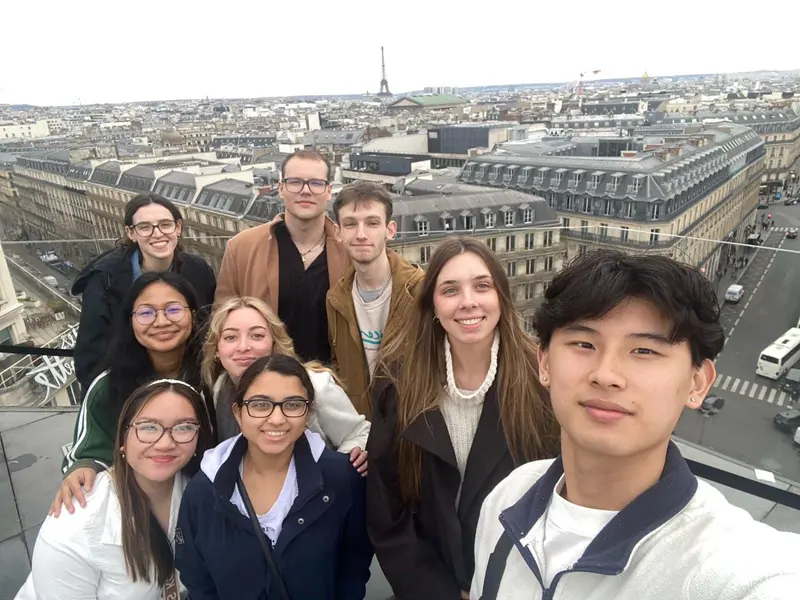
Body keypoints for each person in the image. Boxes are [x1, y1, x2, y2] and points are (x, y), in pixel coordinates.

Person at [471, 250, 800, 600]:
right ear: (545, 363)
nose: (606, 375)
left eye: (644, 351)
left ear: (697, 383)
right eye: (584, 344)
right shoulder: (506, 499)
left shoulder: (731, 564)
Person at [367, 237, 560, 600]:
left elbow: (557, 499)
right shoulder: (396, 382)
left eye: (482, 286)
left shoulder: (543, 383)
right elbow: (385, 507)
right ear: (433, 306)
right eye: (450, 289)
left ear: (501, 296)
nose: (468, 301)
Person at [175, 354, 373, 600]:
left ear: (308, 411)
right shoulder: (204, 487)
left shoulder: (341, 479)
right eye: (260, 404)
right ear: (238, 413)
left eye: (292, 404)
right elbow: (196, 576)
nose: (277, 419)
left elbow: (354, 567)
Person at [17, 379, 213, 600]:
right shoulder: (76, 524)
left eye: (184, 427)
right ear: (122, 439)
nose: (165, 443)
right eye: (148, 427)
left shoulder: (204, 495)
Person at [52, 271, 209, 516]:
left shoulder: (215, 376)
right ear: (130, 321)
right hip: (143, 508)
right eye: (146, 313)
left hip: (212, 501)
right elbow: (90, 450)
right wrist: (84, 467)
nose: (161, 322)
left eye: (174, 310)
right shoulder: (108, 386)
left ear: (194, 315)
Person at [203, 295, 369, 474]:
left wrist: (341, 470)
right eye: (230, 337)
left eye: (257, 335)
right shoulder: (220, 389)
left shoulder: (315, 385)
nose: (243, 347)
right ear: (216, 350)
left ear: (274, 342)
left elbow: (359, 433)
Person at [72, 193, 216, 392]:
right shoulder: (105, 279)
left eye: (165, 224)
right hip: (126, 388)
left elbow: (206, 333)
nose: (157, 234)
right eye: (145, 227)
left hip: (189, 383)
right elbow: (90, 356)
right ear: (131, 233)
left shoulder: (198, 271)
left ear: (178, 228)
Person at [215, 150, 349, 363]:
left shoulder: (350, 248)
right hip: (265, 380)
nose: (305, 191)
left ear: (329, 191)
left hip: (335, 382)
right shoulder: (241, 248)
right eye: (295, 182)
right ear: (281, 189)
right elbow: (221, 325)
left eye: (316, 183)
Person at [327, 181, 424, 417]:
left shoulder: (422, 291)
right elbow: (340, 368)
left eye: (372, 223)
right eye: (350, 224)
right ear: (338, 232)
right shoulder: (335, 299)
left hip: (415, 424)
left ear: (390, 230)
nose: (361, 234)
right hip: (365, 429)